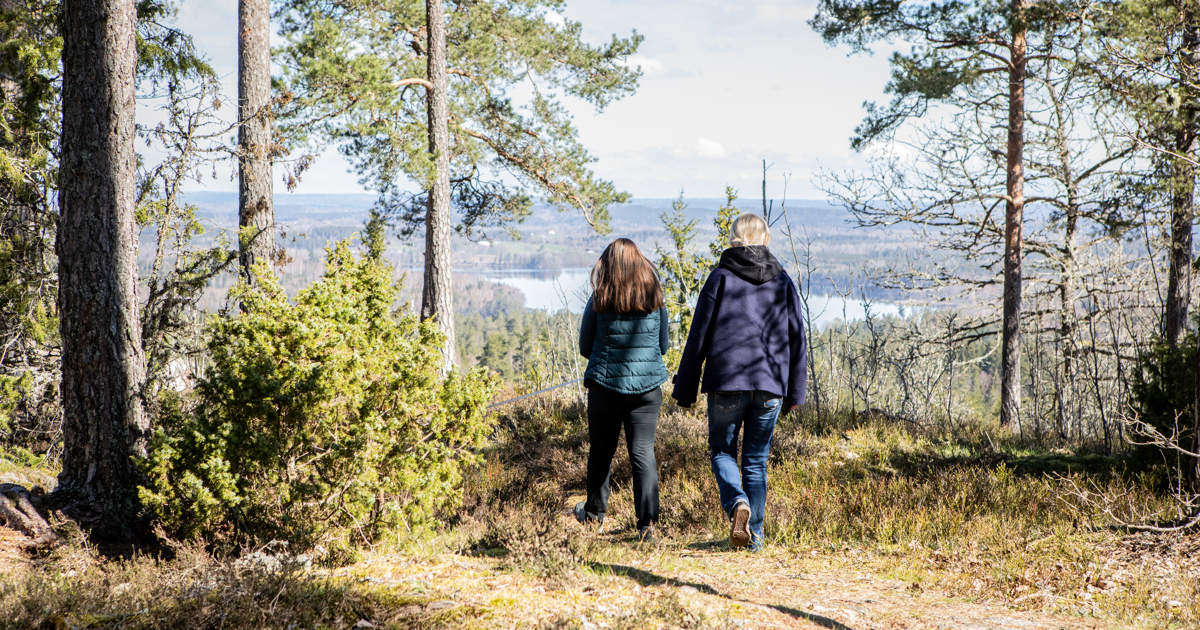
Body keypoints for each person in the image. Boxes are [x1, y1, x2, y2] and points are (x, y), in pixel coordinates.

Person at [672, 213, 807, 550]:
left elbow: (698, 336)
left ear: (734, 240)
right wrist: (795, 391)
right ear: (765, 240)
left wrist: (685, 388)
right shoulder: (784, 281)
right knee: (756, 461)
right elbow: (797, 340)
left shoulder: (720, 277)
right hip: (771, 384)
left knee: (722, 452)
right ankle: (755, 539)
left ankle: (737, 505)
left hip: (727, 382)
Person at [575, 238, 670, 542]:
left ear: (608, 264)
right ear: (640, 263)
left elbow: (584, 347)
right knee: (642, 453)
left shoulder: (599, 298)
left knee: (601, 452)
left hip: (605, 387)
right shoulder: (655, 299)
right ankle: (648, 526)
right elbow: (663, 347)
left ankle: (593, 519)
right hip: (647, 390)